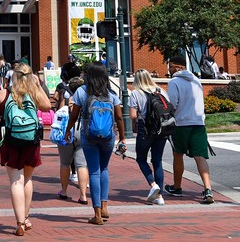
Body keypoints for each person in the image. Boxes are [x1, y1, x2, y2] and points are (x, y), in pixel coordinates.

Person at [0, 62, 51, 236]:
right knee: (28, 179)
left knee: (16, 180)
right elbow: (47, 106)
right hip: (31, 140)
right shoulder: (33, 93)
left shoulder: (3, 94)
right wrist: (37, 84)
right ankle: (25, 217)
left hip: (10, 140)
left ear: (13, 76)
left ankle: (20, 223)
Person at [64, 62, 126, 225]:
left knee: (94, 172)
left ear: (88, 76)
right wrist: (122, 137)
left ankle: (97, 214)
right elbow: (119, 117)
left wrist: (68, 130)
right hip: (108, 136)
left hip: (88, 135)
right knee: (104, 169)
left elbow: (74, 115)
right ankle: (105, 207)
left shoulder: (81, 92)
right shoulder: (111, 93)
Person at [164, 55, 214, 204]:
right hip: (198, 122)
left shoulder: (174, 82)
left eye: (171, 66)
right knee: (200, 156)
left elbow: (172, 103)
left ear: (179, 67)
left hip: (181, 124)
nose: (169, 69)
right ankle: (208, 189)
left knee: (178, 154)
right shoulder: (196, 81)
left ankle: (177, 187)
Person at [129, 69, 168, 206]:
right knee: (157, 160)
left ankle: (153, 184)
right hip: (161, 129)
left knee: (141, 158)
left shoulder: (135, 93)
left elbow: (133, 115)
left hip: (145, 128)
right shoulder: (160, 91)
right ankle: (160, 196)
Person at [55, 76, 89, 205]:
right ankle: (83, 195)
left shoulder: (67, 97)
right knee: (82, 165)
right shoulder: (85, 96)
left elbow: (60, 113)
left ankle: (64, 191)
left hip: (67, 131)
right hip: (82, 131)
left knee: (65, 163)